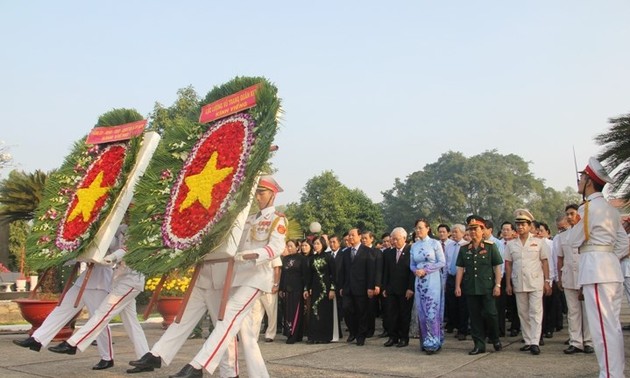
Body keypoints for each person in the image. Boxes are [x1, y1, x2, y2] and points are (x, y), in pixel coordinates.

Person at [130, 175, 286, 378]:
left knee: (228, 317)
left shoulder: (277, 219)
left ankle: (198, 366)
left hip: (256, 276)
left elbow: (276, 247)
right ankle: (252, 374)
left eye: (262, 193)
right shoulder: (246, 219)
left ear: (272, 195)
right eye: (256, 192)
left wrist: (255, 254)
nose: (257, 197)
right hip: (237, 276)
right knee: (241, 330)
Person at [47, 223, 151, 373]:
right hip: (120, 279)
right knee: (131, 323)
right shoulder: (121, 226)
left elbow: (127, 248)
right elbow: (111, 242)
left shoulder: (139, 226)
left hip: (131, 280)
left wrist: (110, 258)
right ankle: (145, 358)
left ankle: (73, 343)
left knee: (102, 313)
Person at [566, 157, 628, 378]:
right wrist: (609, 256)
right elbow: (623, 242)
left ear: (589, 182)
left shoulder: (588, 208)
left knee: (602, 328)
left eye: (582, 178)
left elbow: (573, 240)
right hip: (610, 269)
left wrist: (599, 254)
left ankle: (610, 374)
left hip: (596, 271)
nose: (579, 182)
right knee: (612, 326)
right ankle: (615, 372)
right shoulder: (610, 209)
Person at [14, 256, 114, 370]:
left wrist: (92, 257)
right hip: (83, 280)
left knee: (98, 321)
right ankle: (37, 339)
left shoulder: (116, 237)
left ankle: (107, 357)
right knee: (61, 309)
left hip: (99, 284)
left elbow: (113, 258)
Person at [504, 209, 552, 356]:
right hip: (519, 282)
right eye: (518, 224)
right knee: (523, 313)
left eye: (523, 224)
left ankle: (535, 342)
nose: (520, 227)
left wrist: (547, 281)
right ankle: (528, 340)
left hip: (536, 281)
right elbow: (508, 264)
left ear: (530, 225)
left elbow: (545, 262)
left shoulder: (538, 242)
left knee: (536, 312)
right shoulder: (511, 244)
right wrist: (508, 284)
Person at [455, 215, 503, 355]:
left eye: (476, 229)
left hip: (487, 287)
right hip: (471, 287)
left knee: (491, 314)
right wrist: (457, 286)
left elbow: (497, 267)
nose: (473, 232)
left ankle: (495, 338)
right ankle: (479, 345)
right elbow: (460, 268)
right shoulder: (464, 249)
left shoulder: (490, 247)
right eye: (470, 230)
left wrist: (498, 285)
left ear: (483, 231)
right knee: (474, 317)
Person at [557, 204, 594, 354]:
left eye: (572, 213)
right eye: (568, 214)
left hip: (585, 276)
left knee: (587, 311)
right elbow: (560, 258)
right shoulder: (562, 236)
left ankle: (589, 341)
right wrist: (559, 278)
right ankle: (575, 341)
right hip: (568, 277)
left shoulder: (587, 233)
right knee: (573, 312)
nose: (570, 217)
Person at [409, 218, 445, 354]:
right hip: (419, 280)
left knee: (432, 310)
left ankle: (435, 341)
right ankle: (425, 341)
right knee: (422, 311)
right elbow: (412, 264)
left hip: (432, 280)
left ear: (428, 228)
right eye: (416, 228)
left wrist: (426, 270)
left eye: (420, 228)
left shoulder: (435, 243)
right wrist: (416, 271)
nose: (418, 230)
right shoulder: (414, 246)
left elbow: (442, 262)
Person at [338, 228, 375, 346]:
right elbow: (342, 271)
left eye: (352, 235)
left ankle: (361, 335)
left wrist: (370, 287)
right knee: (347, 309)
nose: (350, 237)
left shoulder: (367, 251)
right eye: (349, 235)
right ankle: (353, 331)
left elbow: (371, 271)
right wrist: (342, 286)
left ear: (359, 236)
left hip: (362, 287)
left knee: (361, 312)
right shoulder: (346, 252)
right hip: (348, 287)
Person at [381, 227, 414, 348]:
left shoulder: (411, 250)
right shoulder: (388, 253)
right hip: (391, 289)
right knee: (391, 314)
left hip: (405, 290)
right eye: (392, 239)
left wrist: (411, 288)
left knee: (404, 315)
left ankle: (404, 338)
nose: (394, 242)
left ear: (404, 238)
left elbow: (412, 272)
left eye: (396, 239)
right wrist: (384, 287)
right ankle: (392, 337)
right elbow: (385, 272)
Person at [306, 235, 336, 344]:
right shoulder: (312, 258)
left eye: (318, 243)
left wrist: (333, 289)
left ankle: (324, 336)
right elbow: (309, 275)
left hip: (326, 288)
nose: (316, 245)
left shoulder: (329, 257)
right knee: (314, 311)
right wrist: (307, 288)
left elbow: (334, 274)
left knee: (325, 312)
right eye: (314, 244)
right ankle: (314, 336)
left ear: (323, 244)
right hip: (315, 288)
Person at [248, 253, 282, 343]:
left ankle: (270, 334)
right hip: (257, 287)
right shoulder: (257, 252)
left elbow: (277, 268)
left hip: (269, 287)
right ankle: (254, 336)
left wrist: (276, 284)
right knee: (255, 313)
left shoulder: (273, 252)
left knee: (271, 312)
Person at [280, 239, 308, 344]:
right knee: (288, 312)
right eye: (288, 246)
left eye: (291, 246)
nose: (289, 248)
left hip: (298, 289)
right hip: (287, 288)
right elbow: (283, 275)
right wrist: (281, 288)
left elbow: (305, 275)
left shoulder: (302, 259)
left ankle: (294, 334)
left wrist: (305, 289)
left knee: (296, 312)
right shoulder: (285, 259)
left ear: (297, 247)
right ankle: (289, 332)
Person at [444, 223, 469, 340]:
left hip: (463, 278)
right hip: (450, 277)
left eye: (456, 232)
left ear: (463, 233)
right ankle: (456, 325)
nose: (453, 234)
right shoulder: (449, 245)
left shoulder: (466, 245)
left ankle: (463, 329)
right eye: (452, 231)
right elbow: (446, 263)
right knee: (452, 304)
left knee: (462, 305)